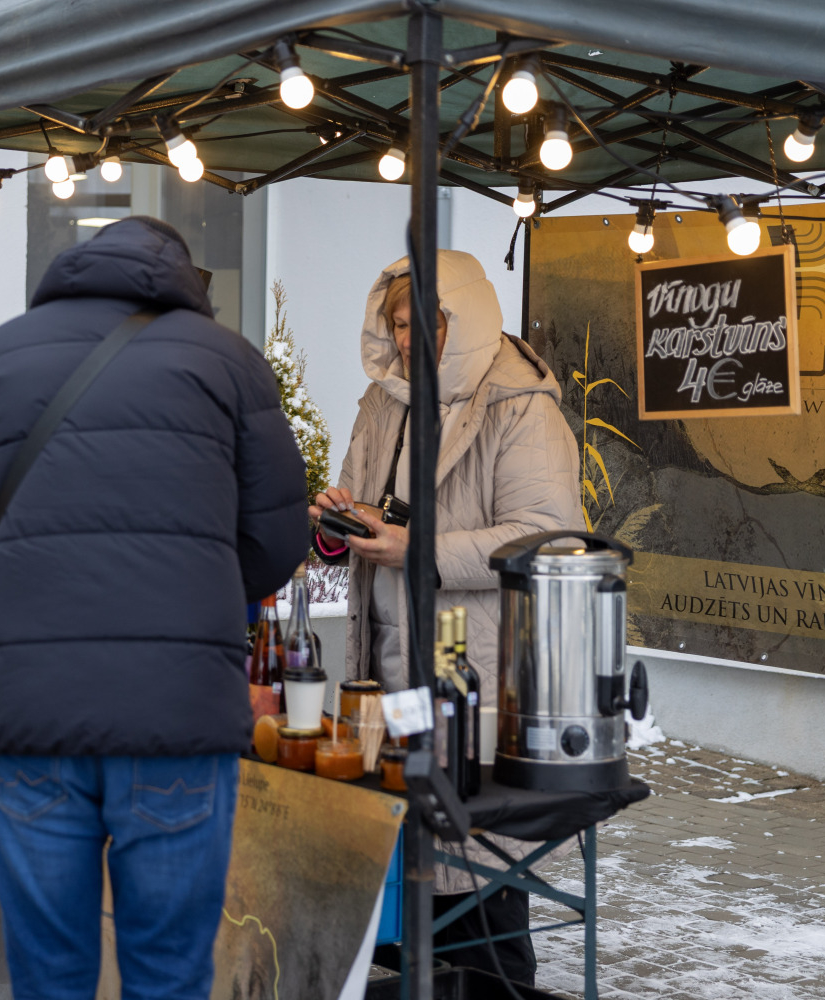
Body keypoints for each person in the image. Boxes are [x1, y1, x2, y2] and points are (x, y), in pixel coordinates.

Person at [0, 216, 309, 999]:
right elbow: (278, 542)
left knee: (48, 978)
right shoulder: (231, 364)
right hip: (175, 715)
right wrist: (190, 587)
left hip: (28, 716)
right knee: (168, 975)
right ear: (182, 278)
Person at [311, 250, 581, 990]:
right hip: (388, 671)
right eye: (396, 323)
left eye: (420, 323)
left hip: (478, 679)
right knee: (399, 885)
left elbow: (550, 537)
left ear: (460, 321)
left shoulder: (520, 406)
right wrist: (339, 525)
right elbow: (373, 516)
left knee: (481, 895)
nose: (404, 340)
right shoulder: (383, 404)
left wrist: (420, 551)